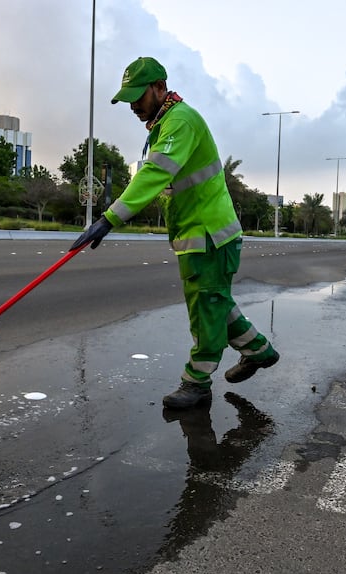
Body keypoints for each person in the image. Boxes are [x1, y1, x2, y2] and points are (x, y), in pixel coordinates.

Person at [71, 56, 279, 409]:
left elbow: (154, 175)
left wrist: (109, 218)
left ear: (160, 88)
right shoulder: (165, 123)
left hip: (209, 237)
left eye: (139, 96)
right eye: (129, 100)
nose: (134, 106)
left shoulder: (179, 122)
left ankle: (196, 383)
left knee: (206, 309)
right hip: (200, 237)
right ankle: (260, 351)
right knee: (215, 303)